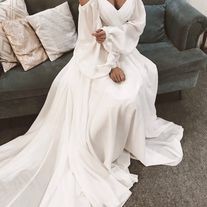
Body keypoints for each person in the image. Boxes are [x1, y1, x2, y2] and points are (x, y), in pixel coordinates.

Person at [0, 0, 184, 206]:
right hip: (96, 57)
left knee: (143, 79)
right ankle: (105, 149)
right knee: (117, 100)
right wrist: (110, 66)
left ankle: (130, 138)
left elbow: (136, 25)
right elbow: (88, 37)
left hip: (127, 53)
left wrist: (114, 35)